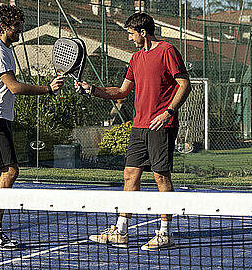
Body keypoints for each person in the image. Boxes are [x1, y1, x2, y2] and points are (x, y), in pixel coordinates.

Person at [76, 12, 191, 251]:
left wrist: (168, 112)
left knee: (161, 177)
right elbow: (121, 91)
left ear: (143, 32)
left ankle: (165, 233)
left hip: (161, 125)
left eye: (131, 33)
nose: (129, 38)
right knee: (130, 174)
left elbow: (184, 84)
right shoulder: (136, 58)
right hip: (139, 127)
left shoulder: (167, 51)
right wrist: (92, 89)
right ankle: (121, 230)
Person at [0, 4, 64, 250]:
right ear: (4, 26)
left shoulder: (4, 49)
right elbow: (14, 87)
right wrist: (48, 89)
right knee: (11, 171)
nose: (19, 30)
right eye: (16, 26)